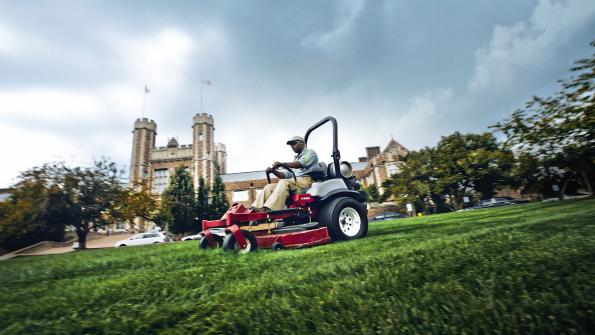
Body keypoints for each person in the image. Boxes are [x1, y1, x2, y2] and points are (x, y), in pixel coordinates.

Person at [251, 135, 319, 212]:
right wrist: (273, 171)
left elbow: (300, 164)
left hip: (307, 180)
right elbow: (285, 175)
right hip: (296, 181)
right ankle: (258, 209)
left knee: (284, 182)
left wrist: (282, 164)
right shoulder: (296, 158)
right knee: (269, 187)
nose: (292, 146)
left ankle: (273, 209)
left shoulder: (310, 152)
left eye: (294, 143)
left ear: (302, 143)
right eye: (291, 145)